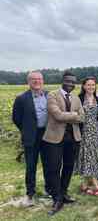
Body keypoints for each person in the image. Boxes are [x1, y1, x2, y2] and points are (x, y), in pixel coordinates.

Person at [42, 71, 84, 216]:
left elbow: (82, 117)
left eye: (73, 82)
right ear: (63, 81)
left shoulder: (76, 98)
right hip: (54, 139)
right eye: (68, 81)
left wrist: (72, 116)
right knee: (54, 168)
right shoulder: (52, 95)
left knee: (68, 167)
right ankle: (57, 198)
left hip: (73, 139)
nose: (70, 84)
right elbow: (57, 115)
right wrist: (74, 115)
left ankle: (64, 193)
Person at [12, 71, 50, 206]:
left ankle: (49, 189)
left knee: (48, 164)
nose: (37, 81)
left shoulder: (48, 95)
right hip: (31, 136)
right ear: (28, 82)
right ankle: (30, 193)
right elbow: (16, 118)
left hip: (47, 135)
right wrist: (27, 129)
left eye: (39, 79)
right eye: (34, 79)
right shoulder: (21, 98)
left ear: (43, 81)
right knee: (31, 165)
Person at [77, 77, 98, 196]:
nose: (91, 87)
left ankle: (85, 184)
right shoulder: (79, 99)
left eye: (93, 85)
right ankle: (94, 183)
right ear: (84, 86)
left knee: (94, 156)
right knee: (87, 156)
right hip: (84, 132)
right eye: (88, 85)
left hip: (95, 132)